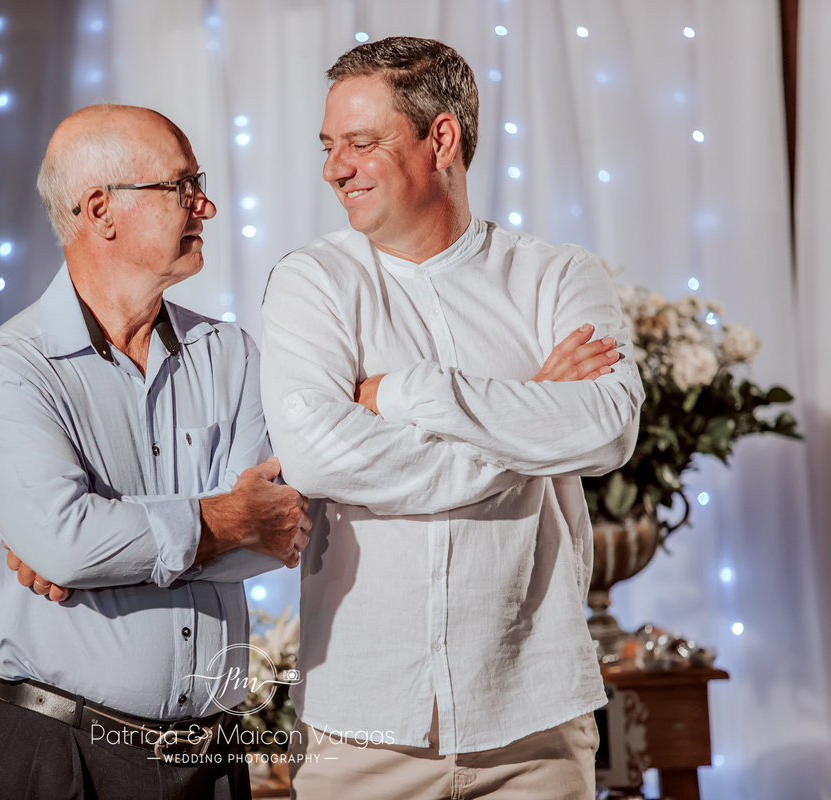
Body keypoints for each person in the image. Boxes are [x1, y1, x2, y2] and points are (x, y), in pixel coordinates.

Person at [260, 37, 643, 798]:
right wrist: (530, 416)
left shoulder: (559, 276)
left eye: (361, 143)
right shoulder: (313, 283)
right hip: (362, 728)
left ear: (441, 139)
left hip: (535, 722)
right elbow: (315, 456)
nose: (336, 168)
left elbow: (606, 428)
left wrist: (407, 394)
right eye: (329, 146)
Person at [0, 104, 311, 800]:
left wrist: (98, 547)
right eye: (182, 186)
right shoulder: (7, 371)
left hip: (214, 757)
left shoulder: (230, 354)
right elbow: (70, 544)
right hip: (60, 758)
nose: (204, 204)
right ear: (100, 210)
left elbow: (276, 532)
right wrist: (224, 518)